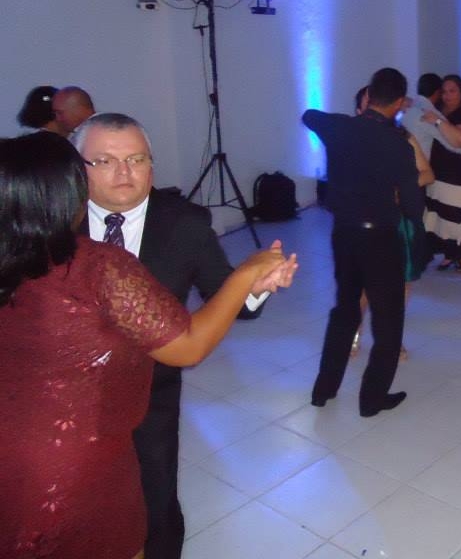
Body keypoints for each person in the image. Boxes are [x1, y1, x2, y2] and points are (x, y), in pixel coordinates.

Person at [0, 131, 294, 559]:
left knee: (157, 503)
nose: (124, 172)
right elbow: (189, 344)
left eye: (137, 159)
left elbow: (224, 298)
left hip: (147, 397)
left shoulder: (185, 221)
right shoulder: (84, 249)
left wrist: (253, 288)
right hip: (65, 437)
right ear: (76, 179)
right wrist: (247, 272)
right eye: (104, 161)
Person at [302, 67, 424, 417]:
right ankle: (371, 400)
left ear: (368, 96)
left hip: (344, 234)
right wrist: (417, 233)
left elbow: (309, 115)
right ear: (399, 103)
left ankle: (324, 390)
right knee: (388, 322)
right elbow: (412, 203)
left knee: (345, 311)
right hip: (381, 238)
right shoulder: (398, 145)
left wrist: (347, 123)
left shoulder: (339, 127)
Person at [350, 85, 433, 360]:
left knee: (401, 283)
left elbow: (427, 173)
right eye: (367, 103)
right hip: (365, 221)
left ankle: (391, 337)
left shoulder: (402, 136)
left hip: (400, 221)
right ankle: (354, 330)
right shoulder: (350, 139)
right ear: (359, 110)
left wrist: (400, 188)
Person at [422, 75, 461, 272]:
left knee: (454, 218)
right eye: (444, 91)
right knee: (437, 217)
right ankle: (449, 254)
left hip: (459, 176)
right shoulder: (437, 109)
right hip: (437, 173)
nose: (447, 95)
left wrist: (438, 121)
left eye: (452, 91)